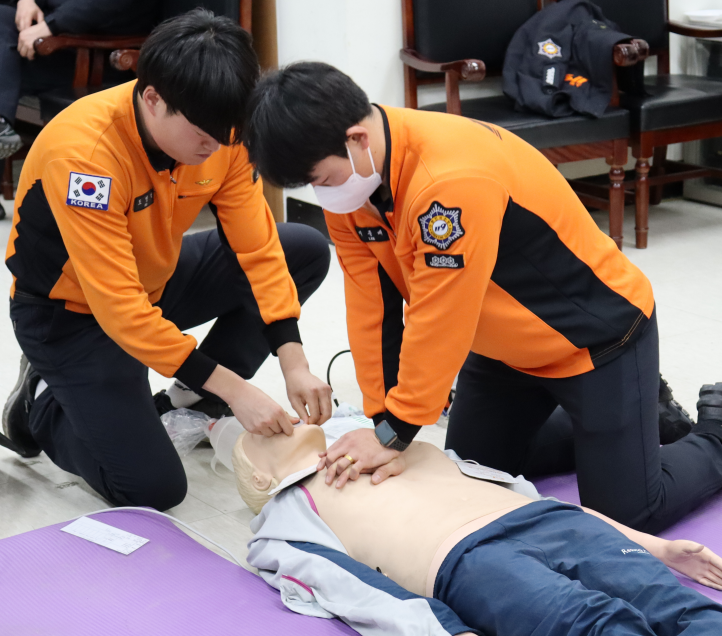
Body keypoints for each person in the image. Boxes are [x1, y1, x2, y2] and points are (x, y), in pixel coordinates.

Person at [243, 61, 722, 533]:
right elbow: (372, 305)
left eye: (321, 180)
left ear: (357, 139)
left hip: (595, 339)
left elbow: (439, 318)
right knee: (470, 474)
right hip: (503, 351)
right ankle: (636, 420)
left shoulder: (448, 181)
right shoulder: (354, 184)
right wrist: (382, 420)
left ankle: (713, 428)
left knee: (629, 515)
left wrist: (395, 433)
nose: (322, 194)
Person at [1, 11, 332, 511]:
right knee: (152, 487)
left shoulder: (221, 130)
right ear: (152, 98)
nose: (216, 146)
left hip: (156, 278)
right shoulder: (86, 157)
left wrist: (294, 361)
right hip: (70, 316)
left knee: (301, 249)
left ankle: (189, 402)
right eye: (203, 135)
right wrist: (237, 389)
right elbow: (119, 309)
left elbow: (257, 249)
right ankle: (40, 403)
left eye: (228, 133)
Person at [234, 421, 722, 636]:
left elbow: (530, 496)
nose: (277, 418)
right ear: (259, 479)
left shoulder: (396, 444)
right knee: (596, 625)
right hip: (472, 560)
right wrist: (447, 631)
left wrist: (656, 549)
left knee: (679, 607)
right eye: (253, 437)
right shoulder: (286, 518)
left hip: (553, 523)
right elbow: (358, 591)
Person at [0, 0, 160, 159]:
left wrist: (51, 25)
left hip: (98, 57)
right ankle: (2, 128)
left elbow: (105, 6)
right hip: (50, 46)